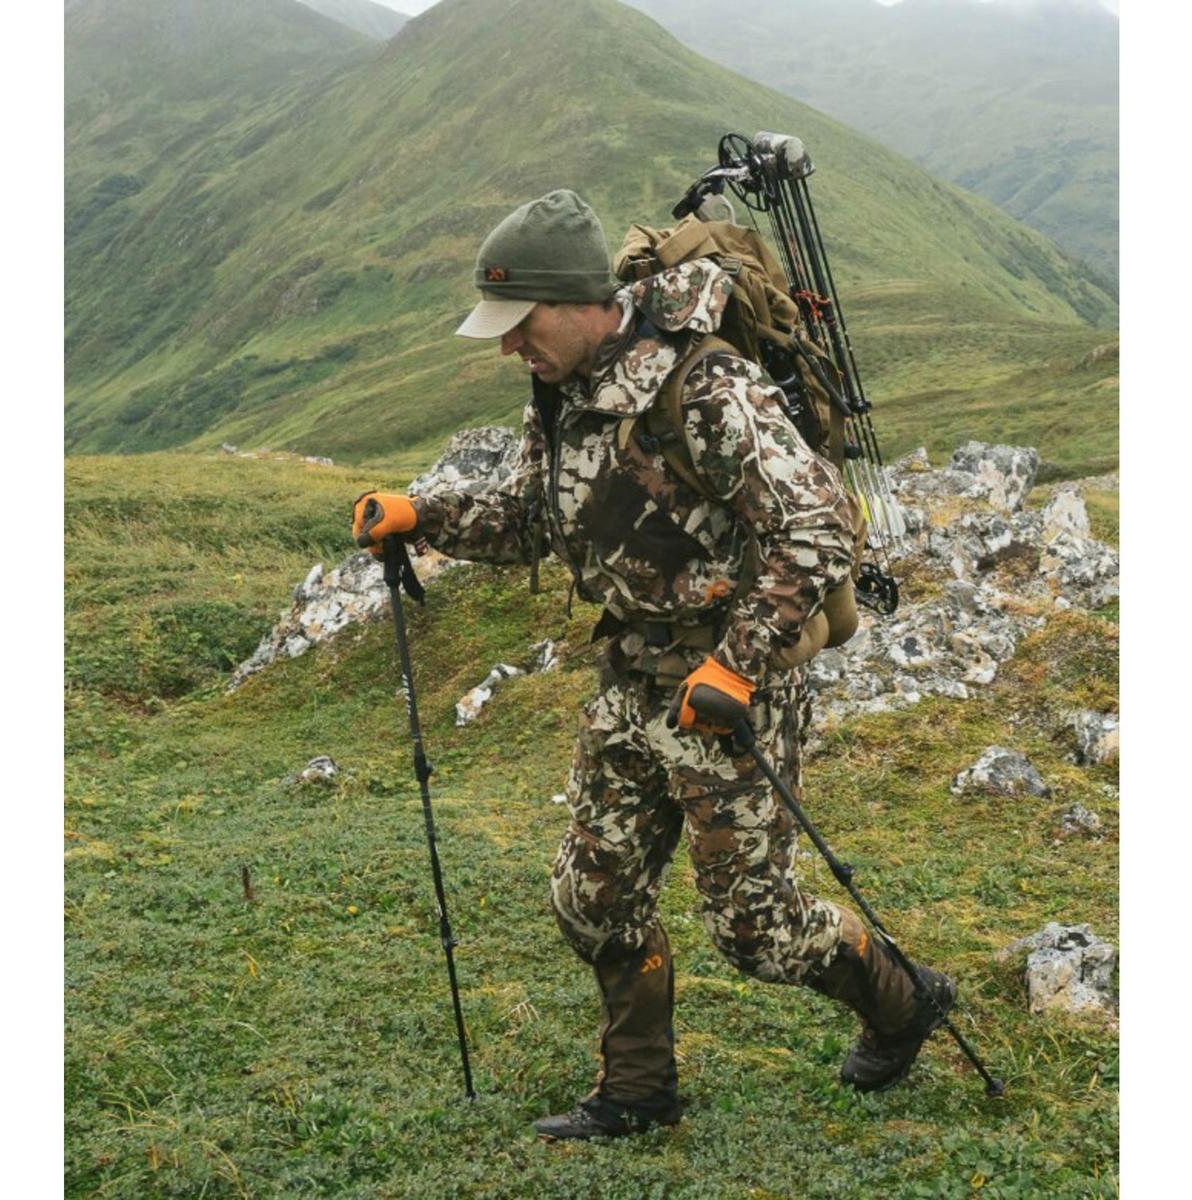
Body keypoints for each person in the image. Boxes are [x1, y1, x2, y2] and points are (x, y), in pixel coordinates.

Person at [352, 189, 955, 1140]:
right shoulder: (562, 390)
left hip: (727, 690)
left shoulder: (704, 386)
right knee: (592, 898)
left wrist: (741, 664)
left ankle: (901, 1000)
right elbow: (535, 517)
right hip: (630, 679)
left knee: (755, 929)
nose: (510, 348)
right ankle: (638, 1092)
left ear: (577, 302)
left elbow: (818, 526)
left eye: (522, 324)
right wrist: (425, 516)